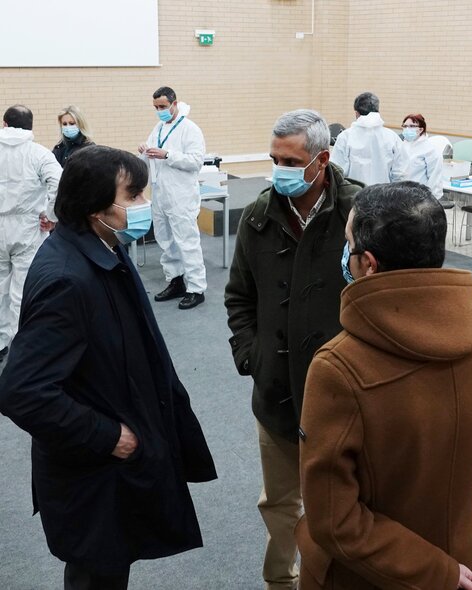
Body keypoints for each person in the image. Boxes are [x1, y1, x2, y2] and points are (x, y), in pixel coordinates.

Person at [0, 145, 217, 590]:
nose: (142, 204)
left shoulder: (102, 247)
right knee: (96, 574)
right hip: (92, 473)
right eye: (132, 195)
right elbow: (21, 391)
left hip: (110, 463)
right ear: (95, 206)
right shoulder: (67, 278)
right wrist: (107, 435)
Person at [296, 182, 472, 590]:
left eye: (348, 245)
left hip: (368, 575)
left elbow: (334, 521)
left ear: (368, 264)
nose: (345, 254)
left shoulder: (337, 368)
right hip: (463, 557)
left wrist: (435, 572)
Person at [224, 109, 363, 590]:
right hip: (276, 391)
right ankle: (281, 581)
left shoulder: (360, 213)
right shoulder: (258, 217)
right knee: (280, 504)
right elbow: (239, 296)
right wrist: (251, 355)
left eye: (290, 161)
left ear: (321, 160)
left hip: (346, 394)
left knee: (346, 506)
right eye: (274, 159)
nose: (279, 169)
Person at [0, 104, 62, 363]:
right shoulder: (39, 153)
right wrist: (51, 216)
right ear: (31, 126)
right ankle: (20, 347)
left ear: (4, 124)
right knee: (23, 289)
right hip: (28, 227)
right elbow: (59, 183)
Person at [138, 86, 207, 309]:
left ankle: (196, 288)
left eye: (163, 106)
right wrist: (144, 149)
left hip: (181, 196)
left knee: (187, 242)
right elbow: (150, 156)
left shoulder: (190, 129)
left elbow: (195, 161)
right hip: (160, 194)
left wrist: (167, 154)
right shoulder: (158, 128)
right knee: (165, 240)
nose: (159, 111)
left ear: (174, 103)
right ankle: (175, 280)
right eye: (156, 107)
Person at [330, 91, 405, 185]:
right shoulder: (392, 137)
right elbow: (400, 174)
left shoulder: (345, 137)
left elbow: (337, 172)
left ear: (356, 113)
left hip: (355, 192)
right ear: (378, 111)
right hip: (383, 192)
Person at [400, 113, 444, 199]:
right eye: (405, 126)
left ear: (420, 129)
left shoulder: (430, 149)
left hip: (419, 197)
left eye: (411, 126)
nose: (407, 129)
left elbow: (435, 177)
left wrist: (432, 200)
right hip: (400, 194)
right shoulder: (401, 145)